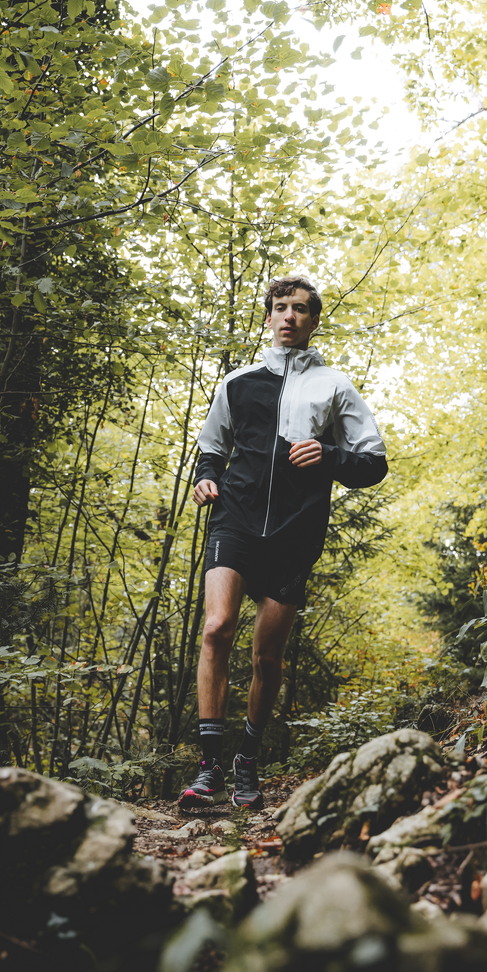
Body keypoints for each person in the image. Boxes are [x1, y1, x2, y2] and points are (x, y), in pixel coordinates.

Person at [178, 275, 388, 811]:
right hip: (236, 518)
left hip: (297, 530)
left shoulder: (335, 386)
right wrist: (206, 477)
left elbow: (374, 463)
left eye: (299, 309)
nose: (289, 316)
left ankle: (247, 760)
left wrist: (330, 455)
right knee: (217, 626)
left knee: (267, 656)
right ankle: (209, 768)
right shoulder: (238, 382)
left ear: (314, 320)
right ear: (268, 319)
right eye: (280, 308)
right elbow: (210, 447)